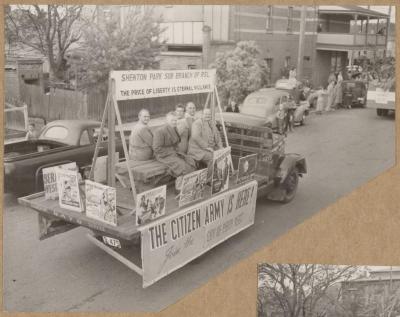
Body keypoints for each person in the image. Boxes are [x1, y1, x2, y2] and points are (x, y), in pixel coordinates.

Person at [153, 111, 196, 178]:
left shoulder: (174, 128)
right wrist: (172, 152)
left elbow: (176, 143)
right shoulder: (160, 131)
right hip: (163, 156)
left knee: (191, 161)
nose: (174, 122)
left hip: (174, 153)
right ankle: (182, 184)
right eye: (172, 120)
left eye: (175, 120)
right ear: (167, 121)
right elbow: (157, 149)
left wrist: (176, 152)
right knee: (184, 167)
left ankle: (188, 183)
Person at [188, 108, 223, 175]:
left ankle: (218, 174)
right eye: (206, 114)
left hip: (209, 149)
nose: (207, 115)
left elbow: (218, 137)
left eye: (209, 114)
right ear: (202, 115)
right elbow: (195, 136)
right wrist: (207, 147)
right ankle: (209, 179)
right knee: (212, 158)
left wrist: (221, 147)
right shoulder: (197, 123)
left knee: (222, 154)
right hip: (197, 150)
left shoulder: (212, 123)